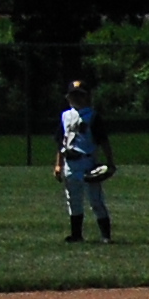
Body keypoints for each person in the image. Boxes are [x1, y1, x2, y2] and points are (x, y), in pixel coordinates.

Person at [54, 78, 112, 243]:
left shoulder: (92, 116)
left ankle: (106, 235)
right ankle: (76, 234)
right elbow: (61, 142)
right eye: (73, 95)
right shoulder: (65, 116)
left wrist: (110, 162)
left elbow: (103, 141)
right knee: (73, 200)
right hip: (70, 163)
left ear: (87, 97)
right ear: (68, 97)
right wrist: (58, 164)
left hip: (87, 162)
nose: (76, 98)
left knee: (95, 200)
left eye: (80, 95)